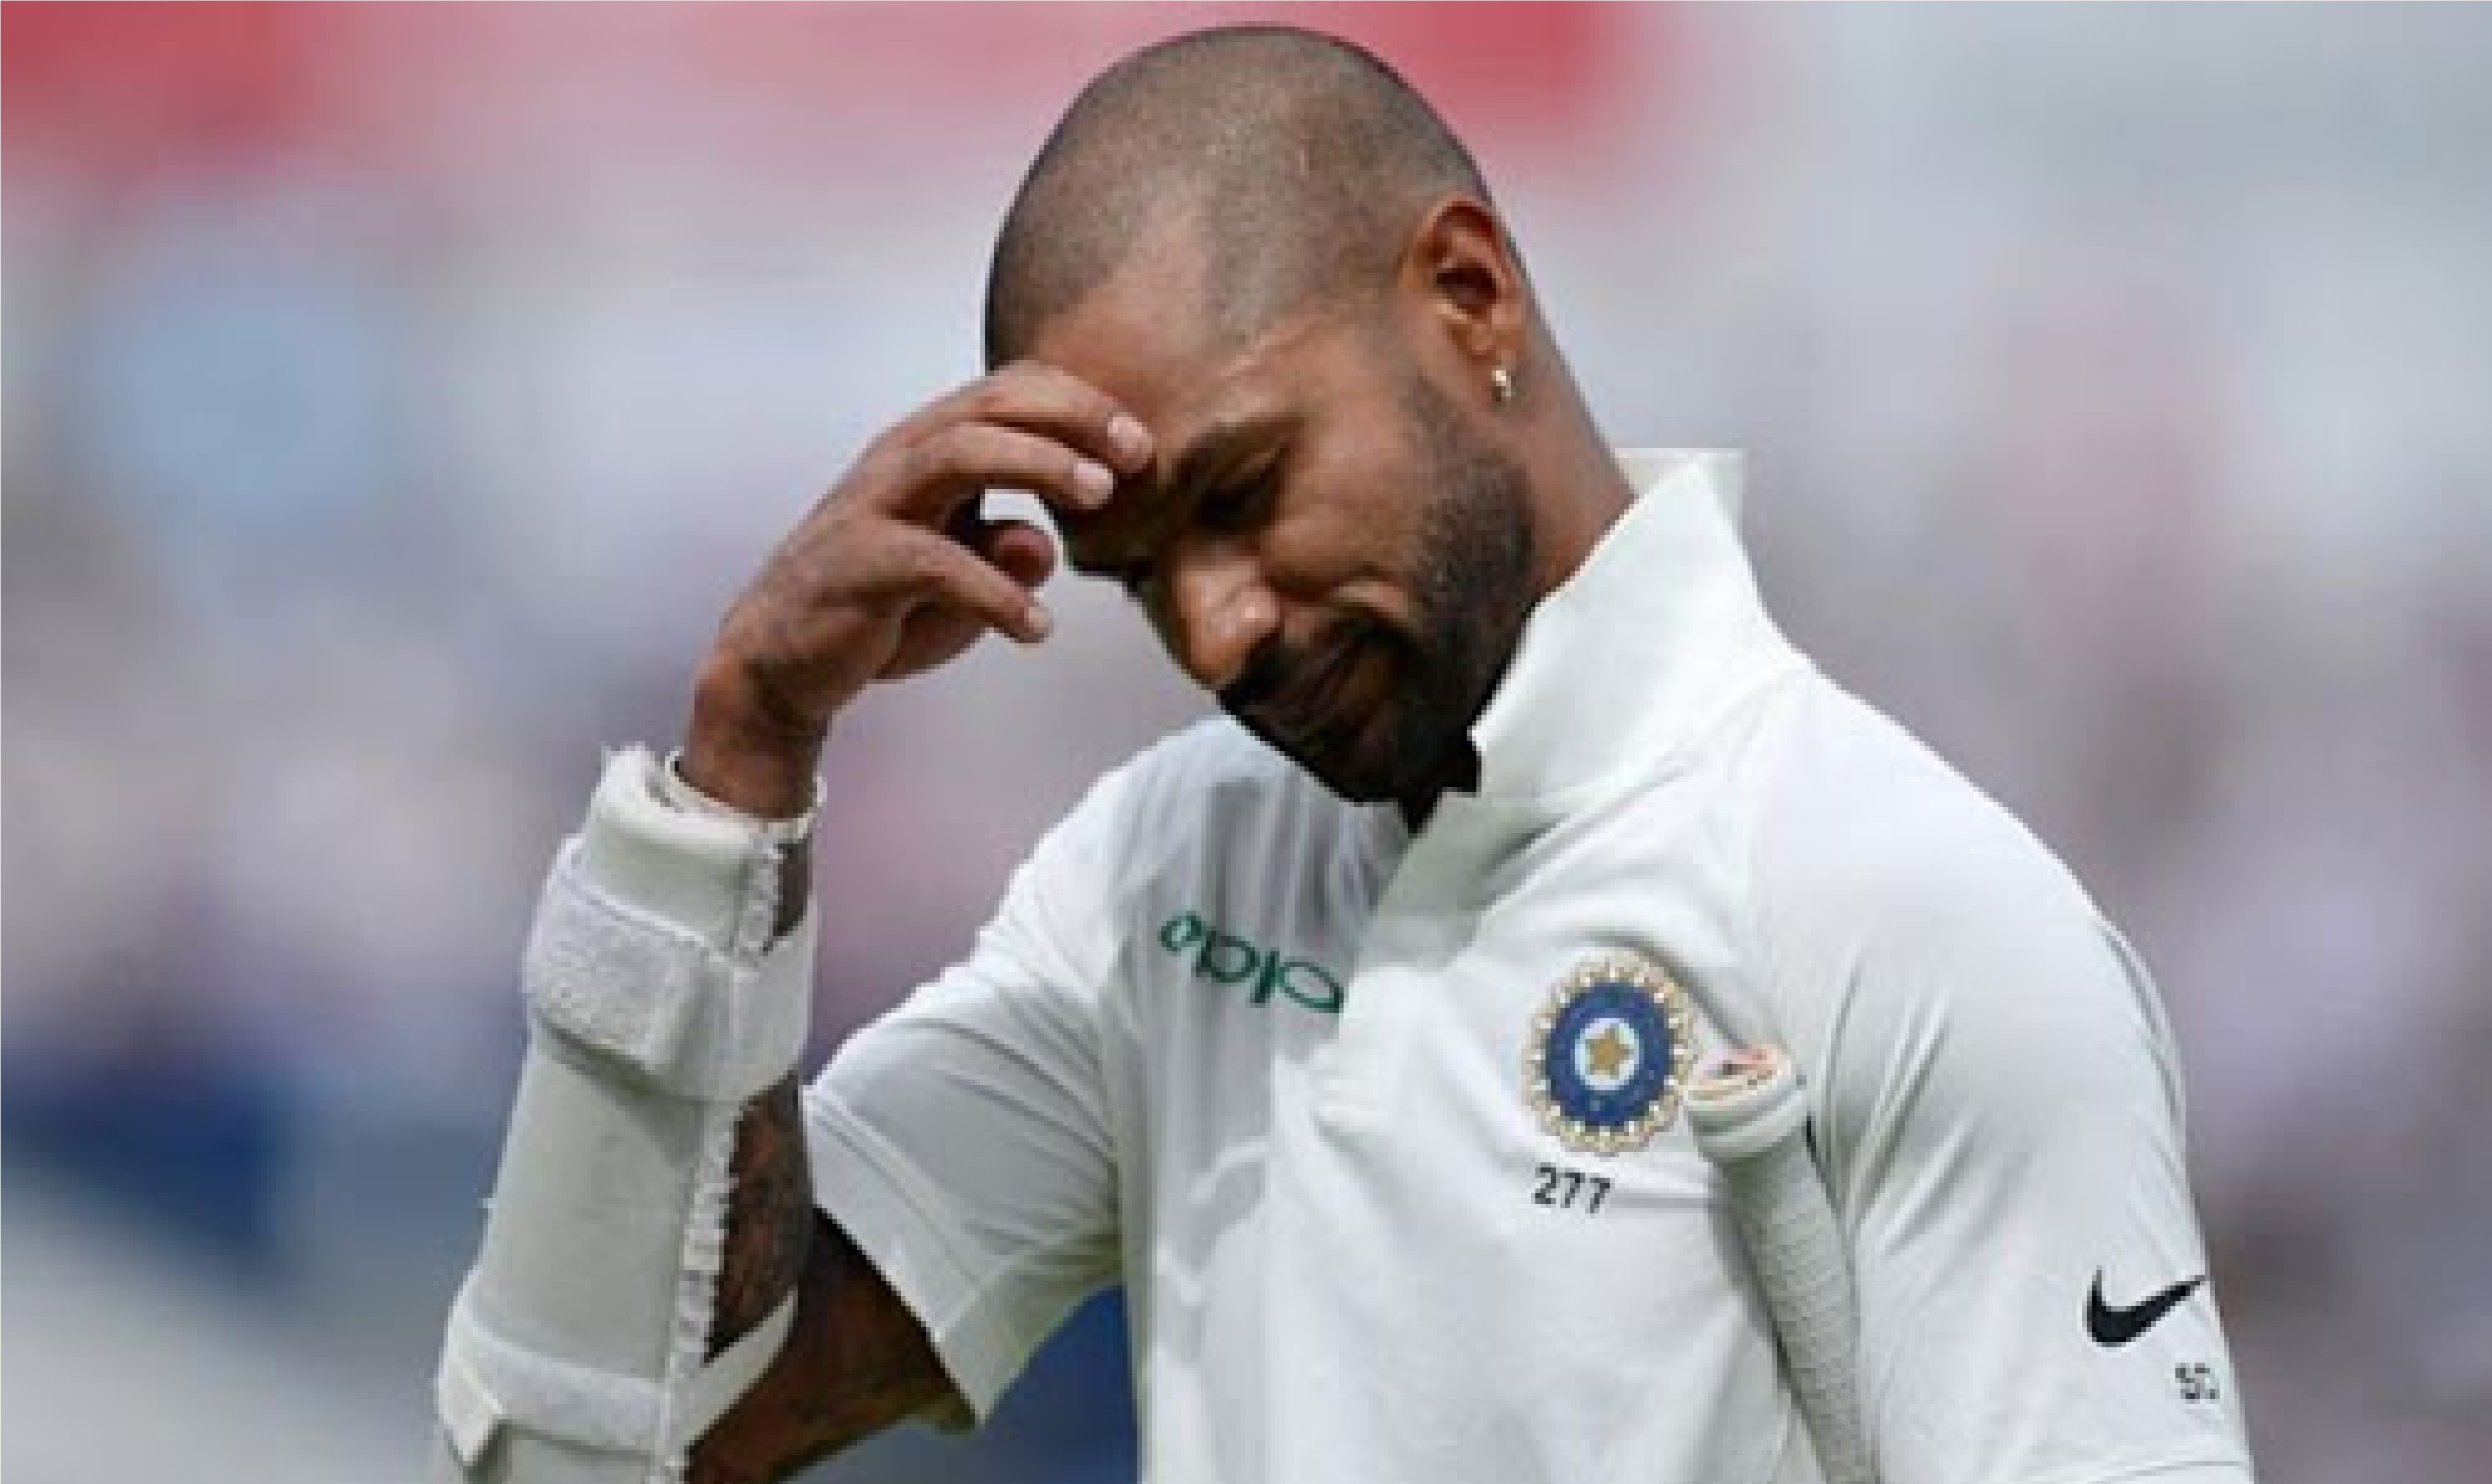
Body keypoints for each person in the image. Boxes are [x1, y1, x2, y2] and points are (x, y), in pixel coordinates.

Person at [430, 25, 2256, 1484]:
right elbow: (603, 1443)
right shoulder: (1167, 872)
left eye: (1243, 492)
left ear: (1469, 294)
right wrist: (737, 774)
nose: (1217, 631)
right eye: (1141, 576)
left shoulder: (1918, 918)